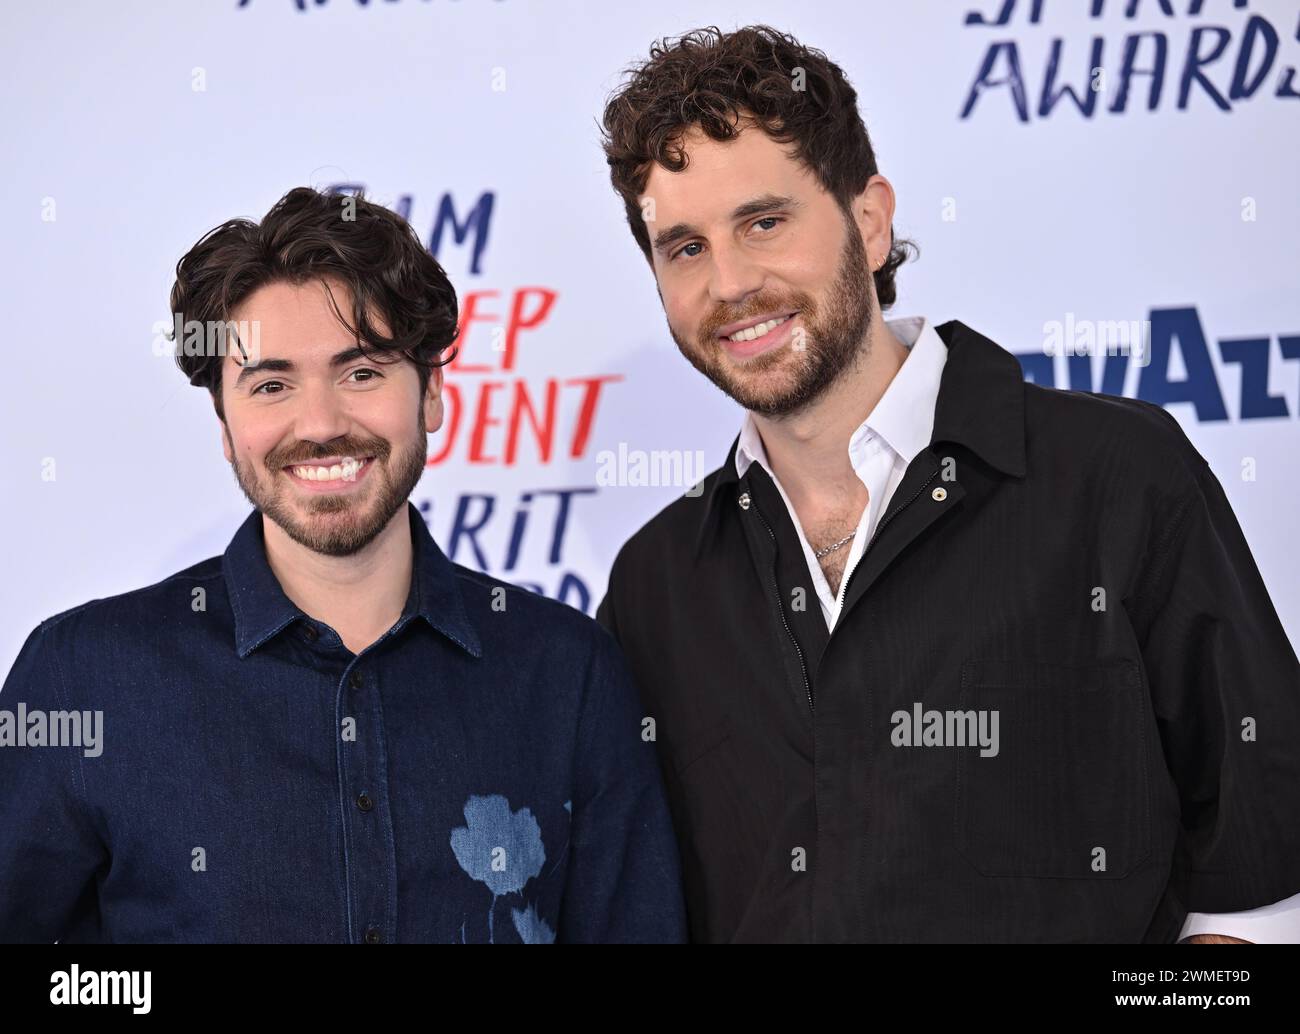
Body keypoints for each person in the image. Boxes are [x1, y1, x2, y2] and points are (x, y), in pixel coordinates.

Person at [594, 25, 1300, 942]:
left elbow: (1264, 894)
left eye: (764, 221)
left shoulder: (1117, 479)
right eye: (684, 247)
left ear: (870, 219)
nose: (730, 282)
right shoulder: (656, 585)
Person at [0, 186, 685, 944]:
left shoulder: (569, 674)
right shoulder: (84, 676)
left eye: (361, 372)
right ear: (227, 427)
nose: (322, 424)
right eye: (271, 385)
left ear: (432, 394)